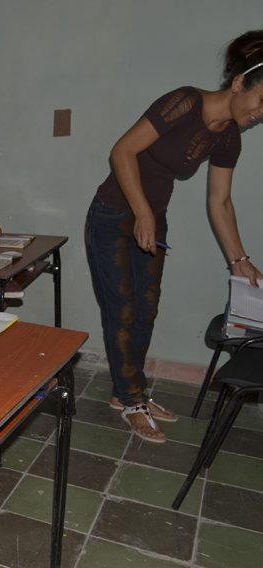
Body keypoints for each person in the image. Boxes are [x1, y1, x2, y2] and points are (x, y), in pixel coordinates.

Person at [85, 30, 263, 444]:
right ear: (239, 83)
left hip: (152, 220)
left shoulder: (228, 136)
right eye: (260, 101)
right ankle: (132, 400)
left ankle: (125, 392)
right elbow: (122, 151)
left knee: (146, 310)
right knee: (122, 311)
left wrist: (240, 259)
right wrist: (142, 211)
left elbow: (220, 201)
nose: (260, 113)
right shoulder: (185, 101)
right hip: (113, 215)